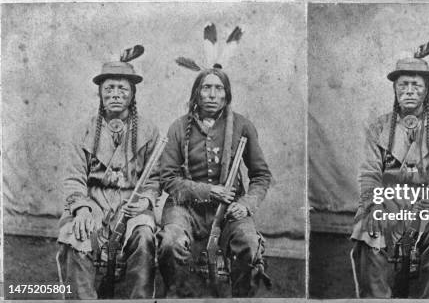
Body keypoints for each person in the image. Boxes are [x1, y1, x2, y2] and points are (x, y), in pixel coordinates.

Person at [157, 66, 272, 298]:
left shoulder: (242, 126)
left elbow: (261, 175)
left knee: (249, 244)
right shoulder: (179, 127)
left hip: (230, 208)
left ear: (226, 95)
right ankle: (177, 296)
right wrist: (209, 191)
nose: (211, 94)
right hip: (185, 208)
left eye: (218, 88)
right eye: (206, 88)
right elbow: (168, 178)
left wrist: (246, 204)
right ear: (196, 94)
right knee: (170, 242)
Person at [350, 53, 429, 298]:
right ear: (395, 89)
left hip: (428, 205)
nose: (409, 91)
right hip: (388, 203)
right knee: (369, 231)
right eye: (403, 85)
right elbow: (369, 173)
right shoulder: (379, 127)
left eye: (416, 85)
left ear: (426, 91)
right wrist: (374, 204)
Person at [56, 52, 160, 299]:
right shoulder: (84, 130)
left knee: (144, 236)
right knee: (76, 234)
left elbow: (154, 179)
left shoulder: (148, 131)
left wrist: (145, 201)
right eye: (109, 88)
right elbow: (74, 178)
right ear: (100, 93)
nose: (115, 94)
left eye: (122, 89)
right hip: (93, 203)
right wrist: (81, 209)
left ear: (133, 94)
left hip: (132, 203)